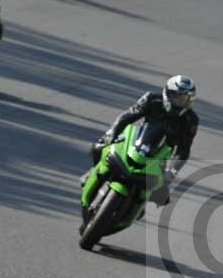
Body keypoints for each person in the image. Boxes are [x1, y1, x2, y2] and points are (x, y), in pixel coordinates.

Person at [82, 75, 198, 206]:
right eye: (177, 98)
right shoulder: (151, 99)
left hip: (160, 156)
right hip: (137, 140)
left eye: (185, 99)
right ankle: (92, 172)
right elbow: (127, 117)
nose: (180, 102)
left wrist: (171, 172)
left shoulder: (191, 120)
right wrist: (110, 135)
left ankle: (138, 206)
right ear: (168, 93)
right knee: (99, 147)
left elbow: (184, 149)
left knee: (162, 195)